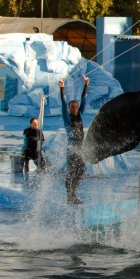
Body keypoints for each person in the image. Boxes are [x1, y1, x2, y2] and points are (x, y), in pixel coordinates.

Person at [59, 76, 89, 204]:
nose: (75, 108)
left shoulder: (80, 115)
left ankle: (73, 194)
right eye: (72, 106)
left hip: (81, 148)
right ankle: (69, 196)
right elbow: (63, 101)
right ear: (69, 108)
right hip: (72, 149)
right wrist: (62, 88)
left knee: (80, 172)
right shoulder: (67, 118)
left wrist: (86, 85)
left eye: (76, 106)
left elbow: (84, 100)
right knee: (71, 172)